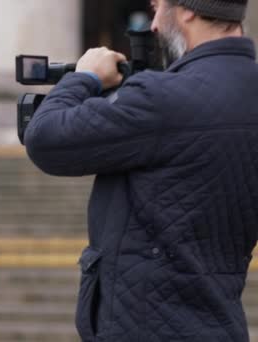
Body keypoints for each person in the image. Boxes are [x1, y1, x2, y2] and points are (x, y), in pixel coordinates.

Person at [24, 0, 257, 341]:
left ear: (188, 10)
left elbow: (45, 139)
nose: (154, 25)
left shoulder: (162, 97)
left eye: (158, 6)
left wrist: (84, 77)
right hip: (221, 322)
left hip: (145, 326)